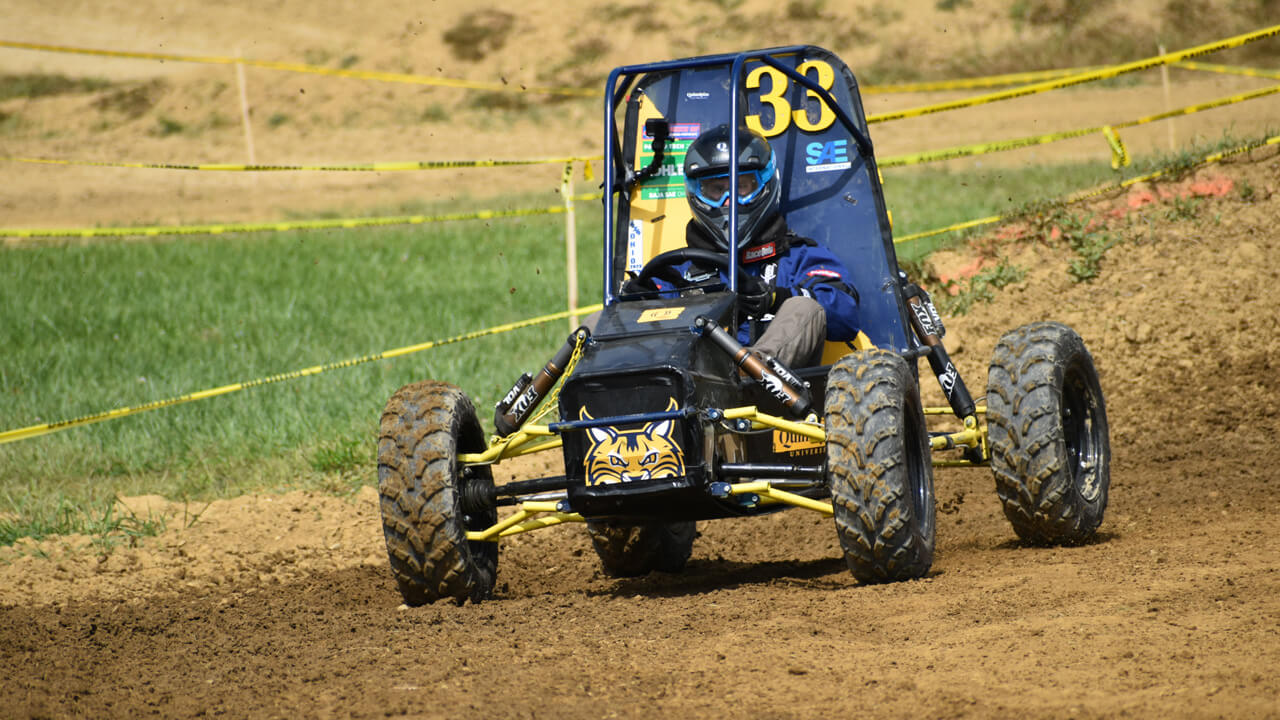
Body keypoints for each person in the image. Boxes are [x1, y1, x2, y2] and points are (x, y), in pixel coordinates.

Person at [669, 123, 861, 368]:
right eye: (716, 190)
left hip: (779, 394)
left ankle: (752, 370)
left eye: (739, 187)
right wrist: (636, 300)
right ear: (696, 192)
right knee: (609, 317)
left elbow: (846, 315)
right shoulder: (678, 271)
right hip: (691, 391)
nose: (728, 202)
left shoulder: (799, 257)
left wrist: (777, 298)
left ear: (765, 185)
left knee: (803, 307)